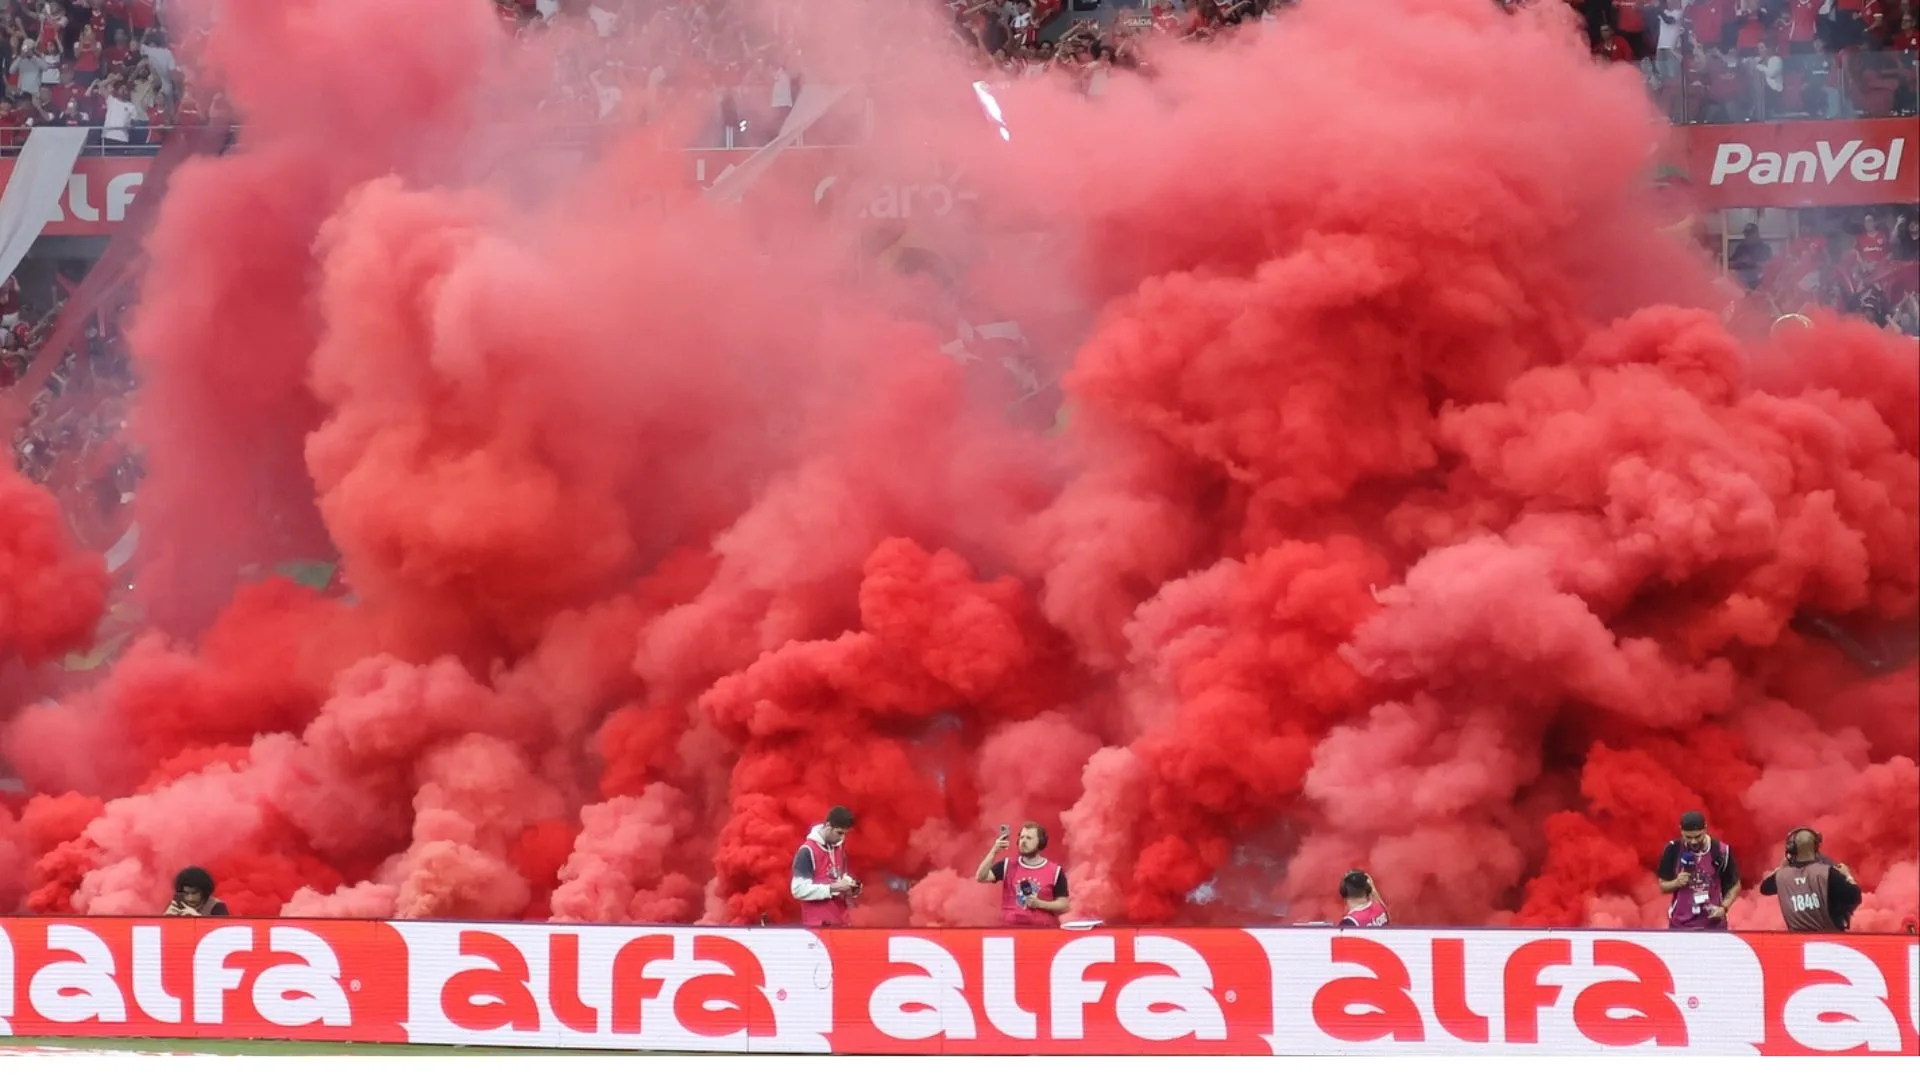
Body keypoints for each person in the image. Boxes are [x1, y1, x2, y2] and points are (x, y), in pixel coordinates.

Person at [1760, 827, 1864, 932]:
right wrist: (1848, 875)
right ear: (1816, 847)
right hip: (1830, 941)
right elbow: (1855, 896)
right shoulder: (1829, 873)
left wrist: (1782, 867)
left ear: (1792, 849)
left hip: (1796, 942)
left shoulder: (1781, 876)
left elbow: (1764, 888)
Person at [1657, 810, 1742, 930]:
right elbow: (1662, 886)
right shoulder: (1673, 850)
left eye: (1698, 836)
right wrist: (1676, 883)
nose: (1693, 841)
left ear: (1705, 828)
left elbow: (1735, 885)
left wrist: (1723, 908)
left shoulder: (1721, 851)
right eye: (1688, 837)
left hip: (1714, 926)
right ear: (1681, 830)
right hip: (1680, 926)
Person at [975, 822, 1070, 927]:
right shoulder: (1007, 865)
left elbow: (1064, 905)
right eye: (1021, 837)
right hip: (1011, 930)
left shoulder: (1055, 871)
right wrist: (994, 851)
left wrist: (1040, 904)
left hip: (1043, 932)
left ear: (1041, 842)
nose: (1023, 841)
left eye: (1029, 838)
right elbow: (981, 877)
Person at [790, 805, 860, 927]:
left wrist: (850, 887)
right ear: (828, 826)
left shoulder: (839, 849)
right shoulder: (807, 851)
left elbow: (840, 878)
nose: (842, 838)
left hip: (841, 923)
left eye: (845, 834)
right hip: (818, 927)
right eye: (839, 833)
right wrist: (833, 888)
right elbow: (798, 889)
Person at [164, 866, 230, 917]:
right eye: (186, 893)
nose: (190, 898)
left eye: (194, 893)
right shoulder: (175, 905)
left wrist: (198, 919)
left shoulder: (217, 906)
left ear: (204, 891)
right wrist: (166, 919)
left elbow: (224, 933)